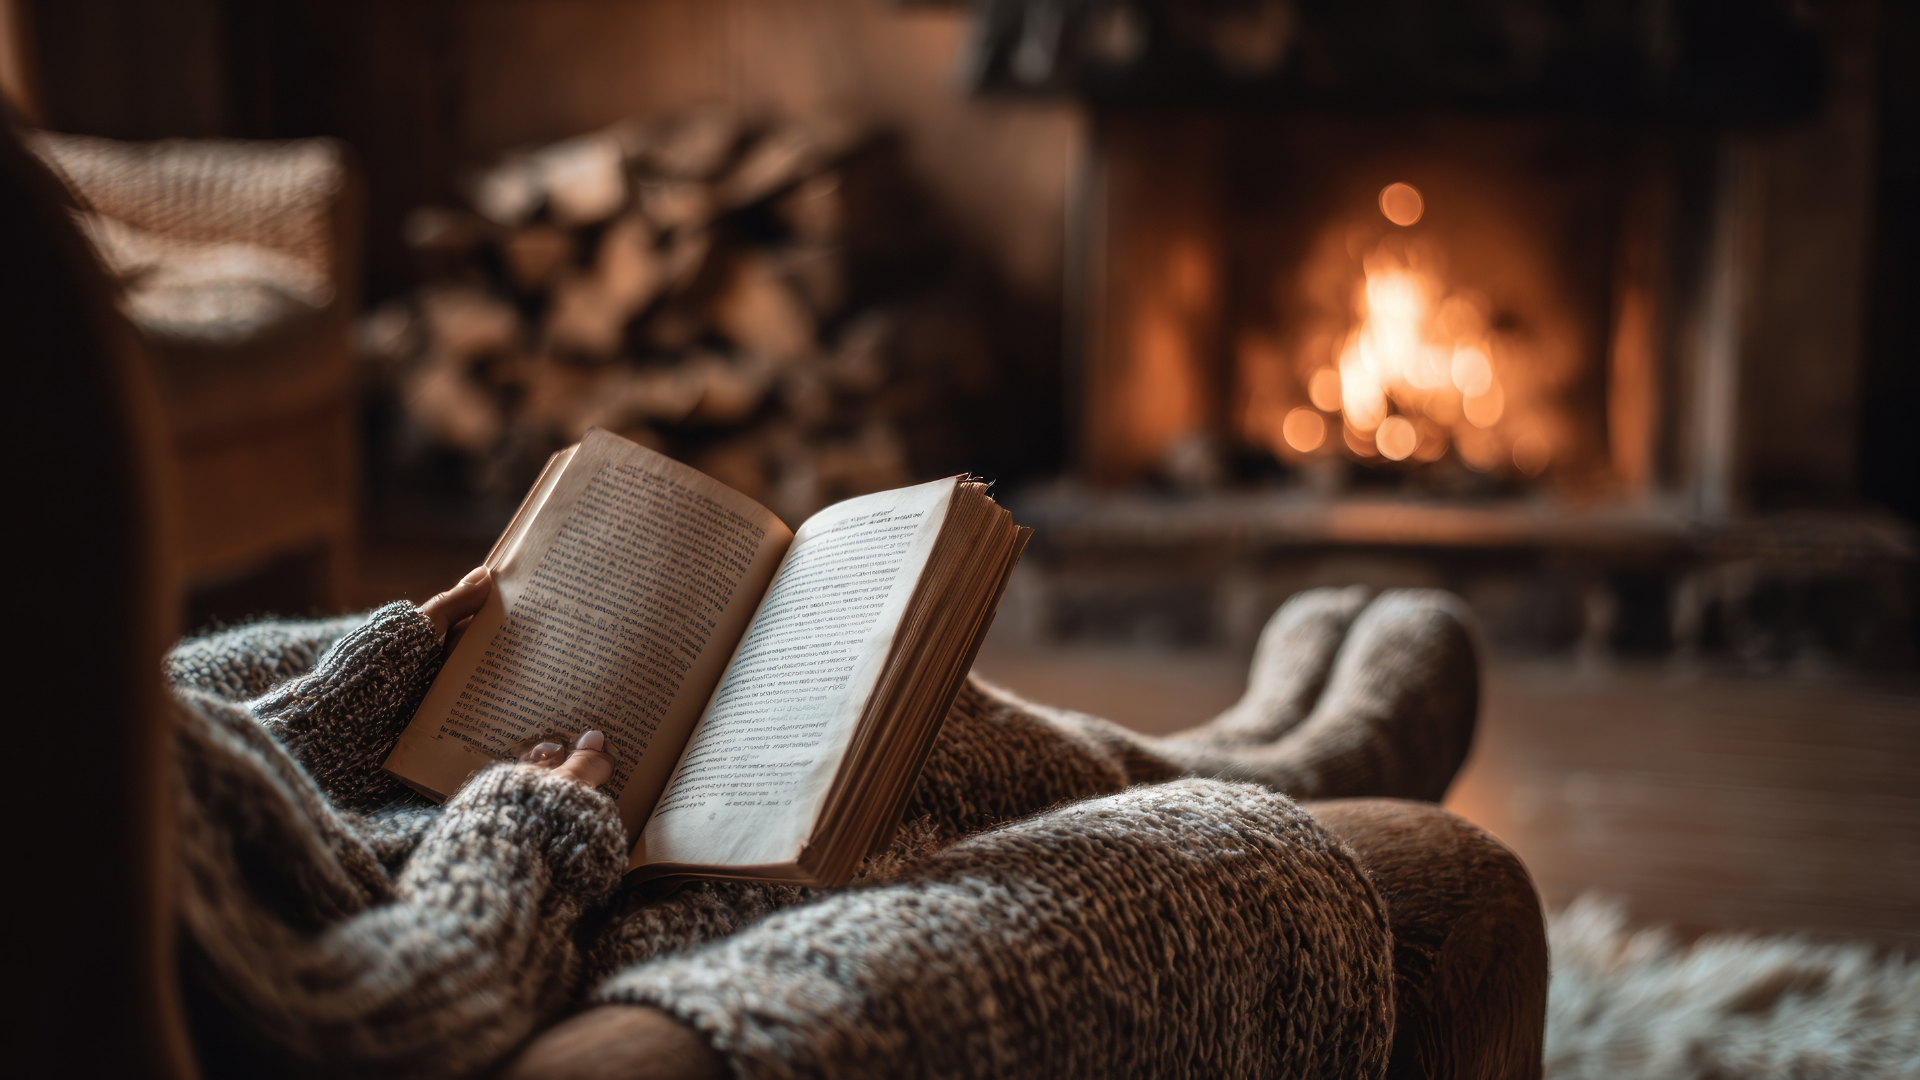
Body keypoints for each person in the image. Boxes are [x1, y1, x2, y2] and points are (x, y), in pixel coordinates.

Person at [166, 570, 1544, 1080]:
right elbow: (377, 1033)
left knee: (806, 682)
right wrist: (521, 836)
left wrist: (343, 699)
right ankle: (1292, 769)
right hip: (462, 900)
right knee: (880, 753)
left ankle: (1231, 752)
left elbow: (156, 777)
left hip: (308, 806)